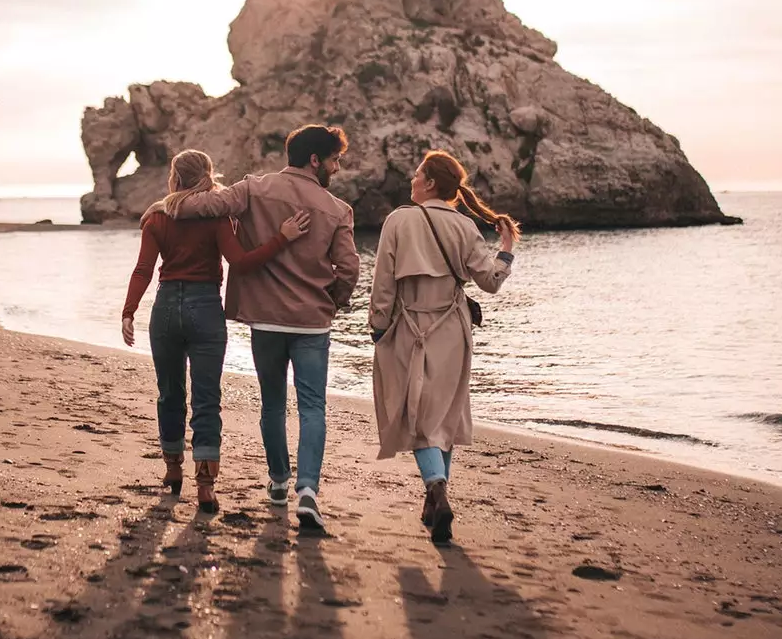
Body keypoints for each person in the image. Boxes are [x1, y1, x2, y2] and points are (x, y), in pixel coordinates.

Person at [172, 124, 360, 532]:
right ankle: (307, 491)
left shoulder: (253, 189)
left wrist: (168, 207)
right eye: (334, 159)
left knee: (273, 404)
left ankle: (278, 481)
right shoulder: (337, 209)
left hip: (266, 321)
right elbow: (349, 269)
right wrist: (334, 301)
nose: (337, 167)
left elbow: (201, 207)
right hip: (312, 324)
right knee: (313, 408)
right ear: (315, 160)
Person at [122, 149, 311, 514]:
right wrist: (282, 238)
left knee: (169, 393)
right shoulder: (217, 216)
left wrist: (129, 312)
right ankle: (205, 486)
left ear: (174, 178)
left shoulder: (157, 217)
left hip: (164, 310)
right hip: (205, 309)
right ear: (207, 176)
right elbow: (240, 262)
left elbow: (143, 270)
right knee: (207, 398)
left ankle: (172, 470)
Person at [368, 150, 518, 544]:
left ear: (431, 182)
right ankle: (435, 502)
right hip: (452, 329)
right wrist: (506, 248)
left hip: (410, 326)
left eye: (417, 174)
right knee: (444, 416)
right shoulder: (465, 226)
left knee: (417, 417)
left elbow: (383, 282)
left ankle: (437, 487)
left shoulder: (398, 220)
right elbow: (490, 281)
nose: (412, 180)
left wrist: (377, 327)